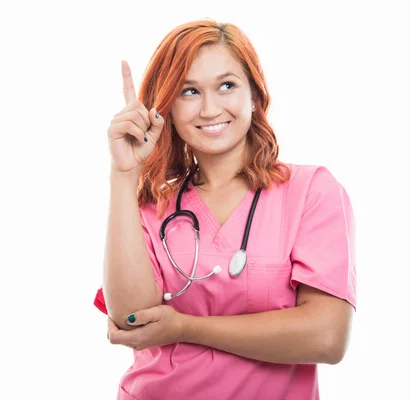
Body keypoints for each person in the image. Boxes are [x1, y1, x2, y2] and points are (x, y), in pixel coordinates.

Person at [93, 19, 356, 400]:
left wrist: (185, 327)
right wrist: (123, 174)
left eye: (226, 85)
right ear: (166, 106)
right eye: (189, 91)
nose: (209, 108)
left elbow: (328, 337)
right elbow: (131, 319)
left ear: (253, 94)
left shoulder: (310, 192)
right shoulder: (153, 207)